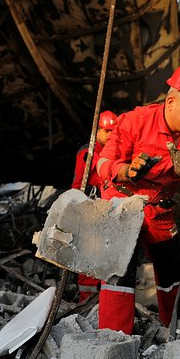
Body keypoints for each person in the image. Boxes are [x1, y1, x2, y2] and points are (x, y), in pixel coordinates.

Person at [96, 61, 180, 334]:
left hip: (160, 210)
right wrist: (127, 172)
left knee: (171, 273)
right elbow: (103, 165)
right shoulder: (134, 121)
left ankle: (174, 329)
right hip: (123, 204)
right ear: (172, 101)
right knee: (119, 272)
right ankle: (114, 339)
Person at [71, 110, 117, 302]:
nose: (110, 136)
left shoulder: (111, 151)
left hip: (105, 209)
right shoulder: (87, 153)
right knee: (88, 256)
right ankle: (86, 298)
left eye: (113, 132)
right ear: (97, 131)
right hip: (90, 210)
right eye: (107, 132)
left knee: (102, 255)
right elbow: (77, 184)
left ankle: (100, 297)